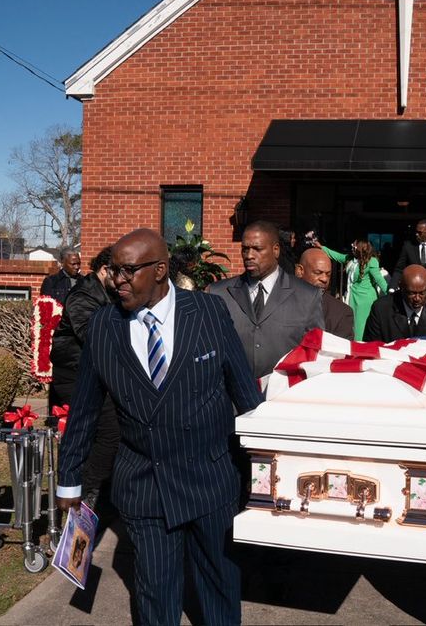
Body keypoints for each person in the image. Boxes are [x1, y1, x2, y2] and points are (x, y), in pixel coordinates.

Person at [57, 228, 262, 625]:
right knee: (155, 595)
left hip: (210, 480)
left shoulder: (208, 312)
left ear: (160, 270)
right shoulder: (104, 325)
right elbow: (83, 410)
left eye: (128, 270)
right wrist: (70, 480)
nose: (117, 280)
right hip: (145, 485)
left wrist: (263, 468)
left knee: (219, 588)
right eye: (113, 270)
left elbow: (245, 393)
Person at [208, 220, 323, 379]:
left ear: (276, 250)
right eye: (245, 249)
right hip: (232, 392)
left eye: (257, 249)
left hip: (285, 391)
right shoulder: (219, 293)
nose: (249, 255)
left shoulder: (307, 296)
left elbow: (315, 354)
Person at [50, 246, 118, 511]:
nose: (124, 279)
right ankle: (84, 491)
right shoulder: (83, 295)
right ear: (105, 270)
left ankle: (99, 493)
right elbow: (91, 335)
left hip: (93, 373)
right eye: (120, 272)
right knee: (109, 432)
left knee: (108, 433)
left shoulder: (108, 292)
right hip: (74, 374)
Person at [313, 237, 387, 341]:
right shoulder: (351, 259)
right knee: (351, 323)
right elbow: (336, 256)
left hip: (364, 300)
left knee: (360, 326)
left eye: (354, 246)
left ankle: (359, 346)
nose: (352, 248)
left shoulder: (371, 261)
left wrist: (391, 294)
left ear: (360, 248)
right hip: (352, 297)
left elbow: (380, 280)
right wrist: (322, 248)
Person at [363, 265, 426, 343]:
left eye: (422, 293)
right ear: (401, 287)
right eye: (411, 293)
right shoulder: (381, 310)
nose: (417, 298)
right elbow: (371, 349)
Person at [294, 248, 354, 340]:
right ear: (299, 271)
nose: (324, 279)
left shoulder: (341, 313)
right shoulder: (278, 301)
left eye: (328, 274)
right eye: (318, 273)